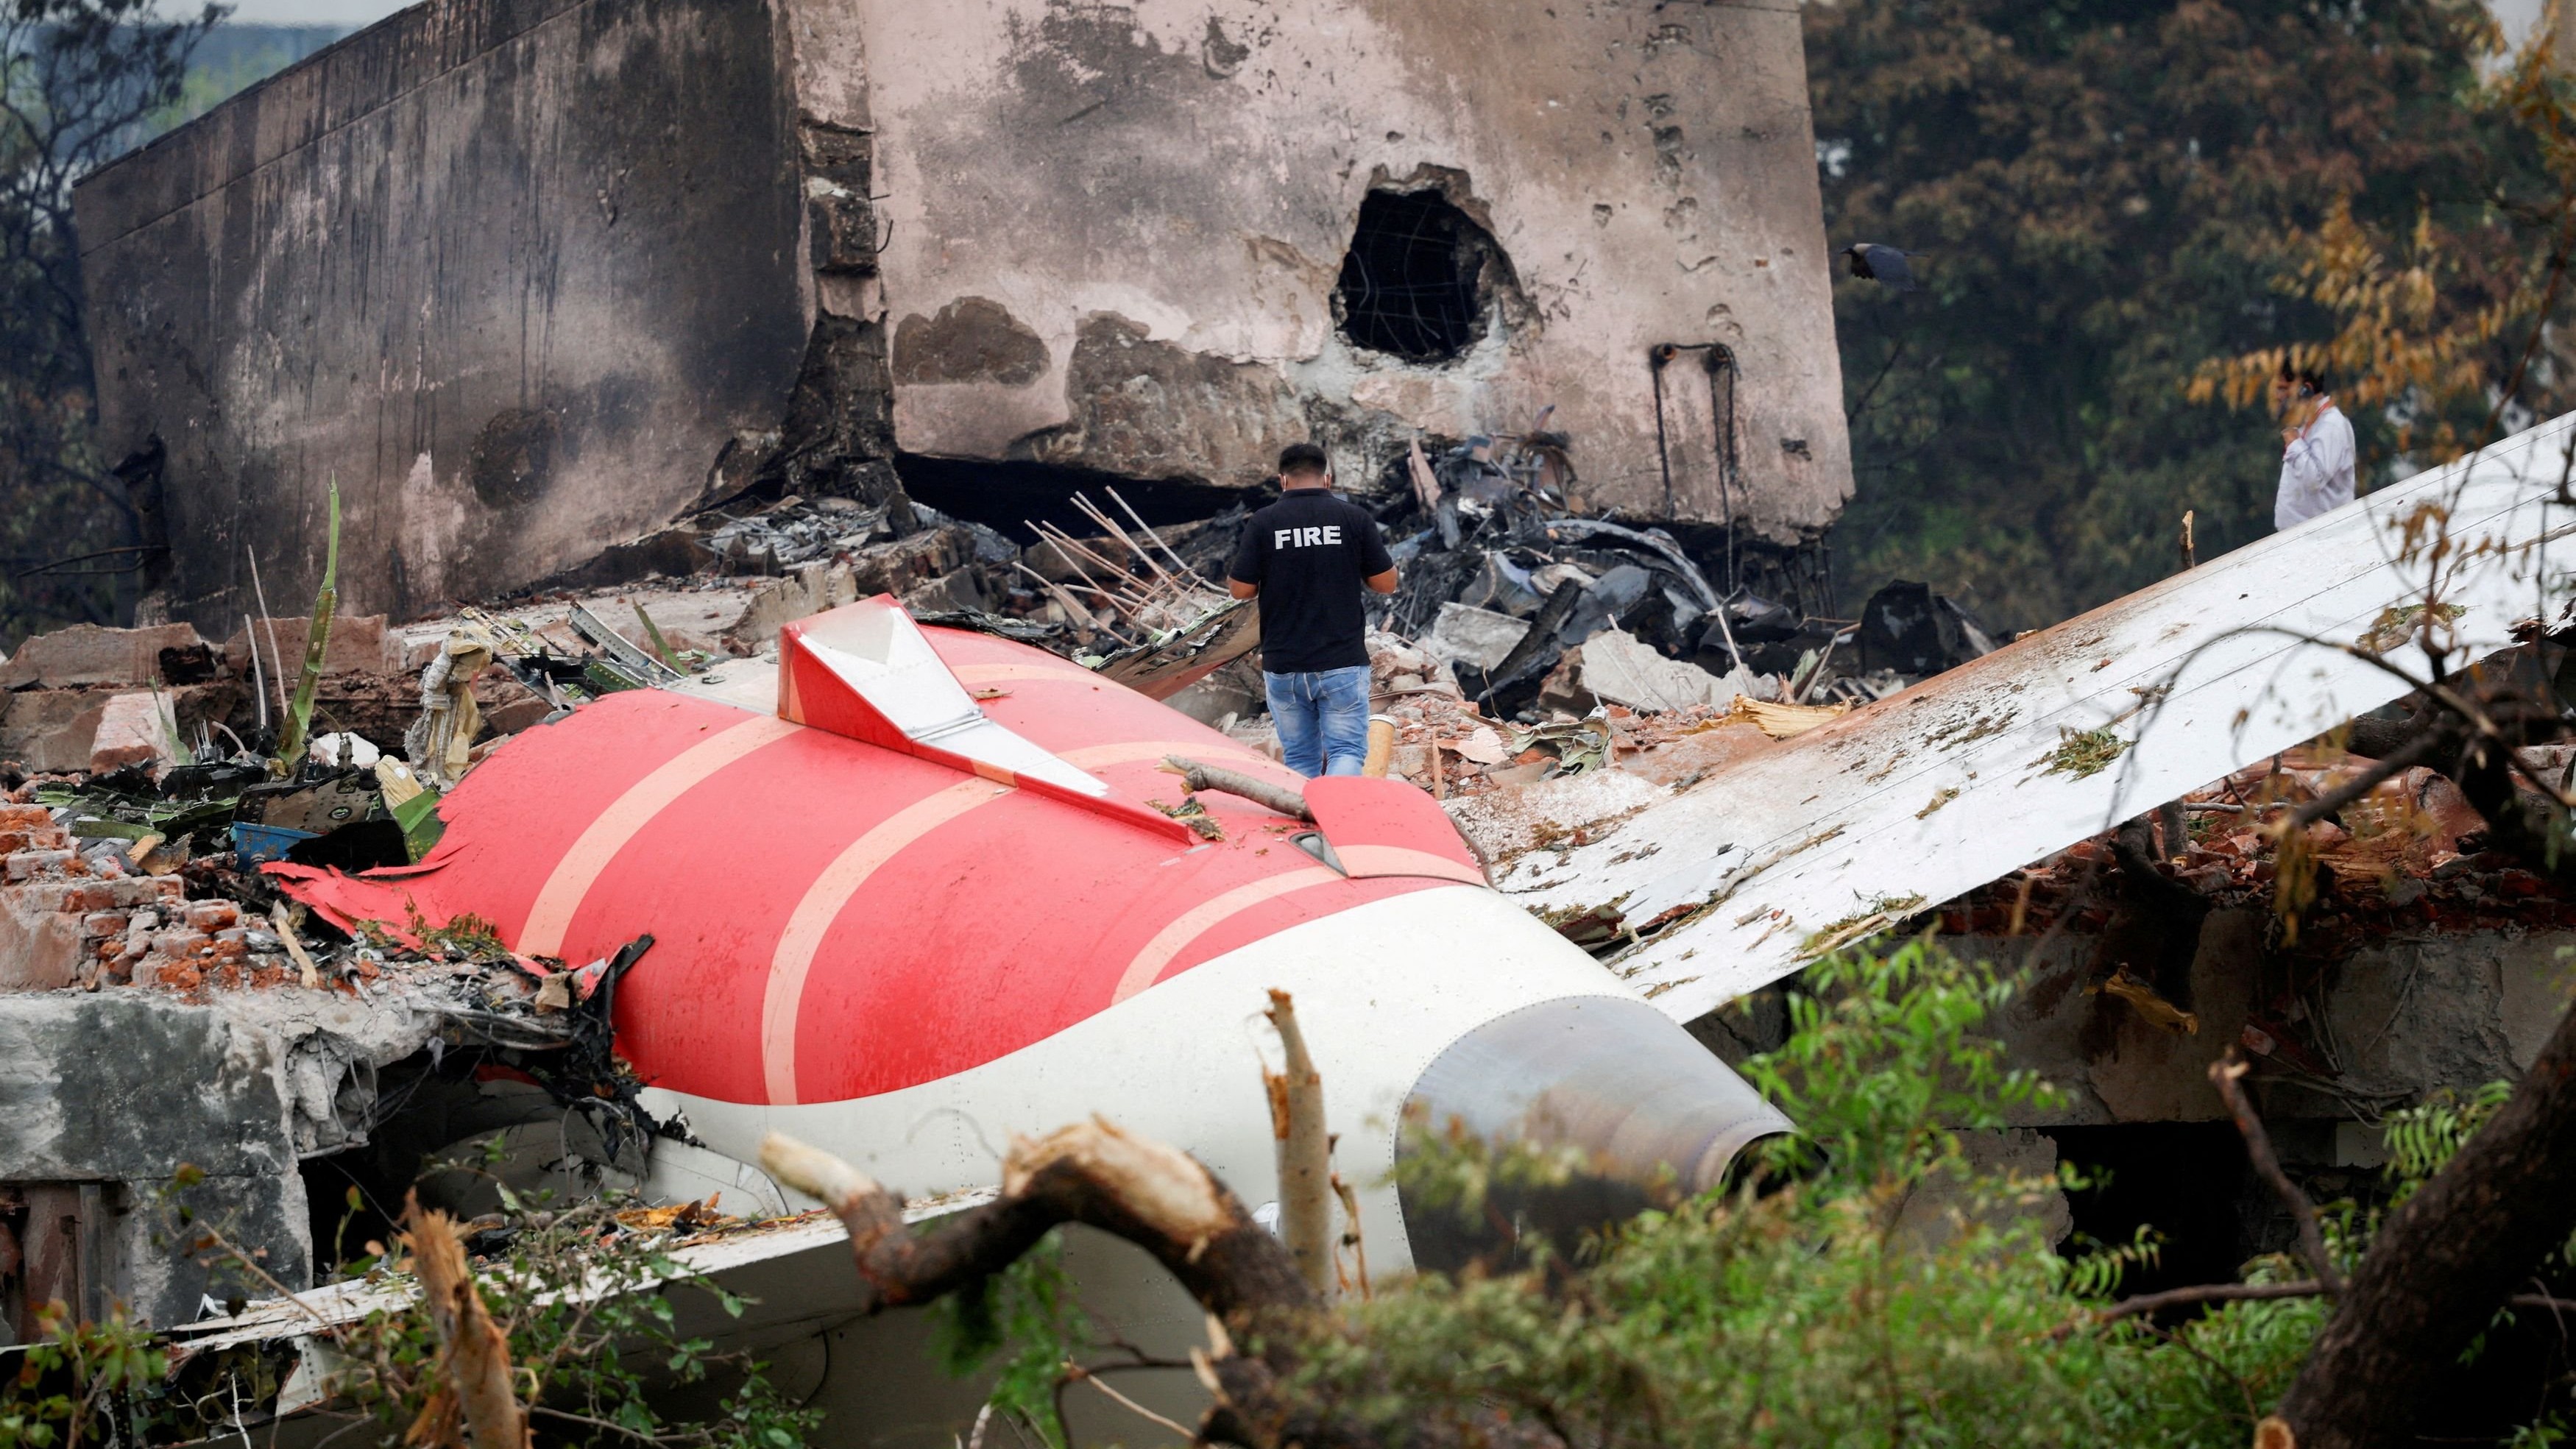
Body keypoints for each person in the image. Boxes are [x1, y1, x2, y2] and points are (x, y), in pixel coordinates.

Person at [1228, 442, 1398, 777]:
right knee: (1346, 751)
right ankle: (1335, 824)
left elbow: (1240, 590)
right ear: (1328, 479)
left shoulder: (1264, 522)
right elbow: (1386, 584)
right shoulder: (1353, 519)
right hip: (1341, 663)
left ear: (1282, 480)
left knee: (1300, 759)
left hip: (1284, 664)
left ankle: (1304, 827)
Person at [2274, 361, 2356, 531]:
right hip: (2301, 536)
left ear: (2306, 390)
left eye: (2283, 389)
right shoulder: (2310, 422)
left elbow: (2314, 480)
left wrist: (2294, 442)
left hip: (2323, 536)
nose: (2278, 396)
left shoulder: (2331, 425)